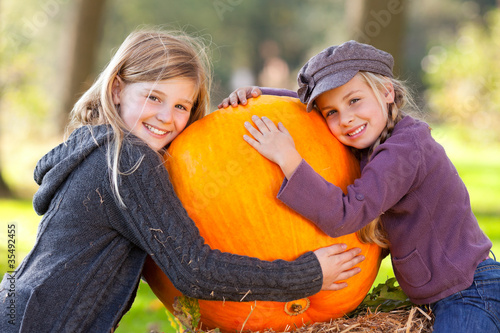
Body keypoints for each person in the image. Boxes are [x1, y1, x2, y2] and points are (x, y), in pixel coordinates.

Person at [0, 30, 366, 333]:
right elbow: (195, 271)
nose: (166, 117)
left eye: (181, 106)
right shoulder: (128, 160)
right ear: (115, 90)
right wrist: (307, 275)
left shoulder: (98, 145)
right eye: (153, 96)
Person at [219, 40, 500, 332]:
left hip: (469, 291)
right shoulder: (376, 137)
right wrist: (259, 95)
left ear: (386, 91)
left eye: (354, 101)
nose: (346, 118)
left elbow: (346, 215)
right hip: (443, 293)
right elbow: (303, 110)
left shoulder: (405, 149)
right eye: (332, 112)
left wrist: (288, 158)